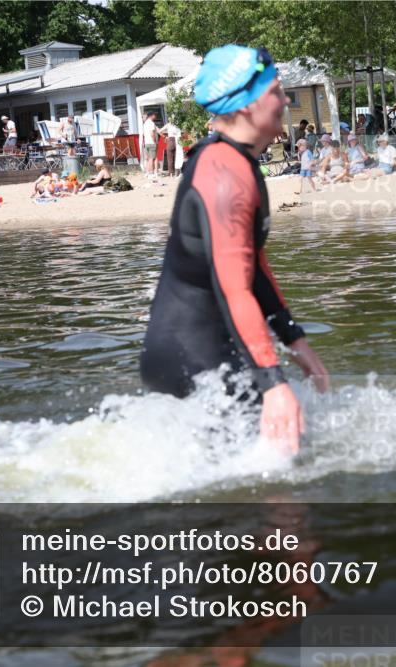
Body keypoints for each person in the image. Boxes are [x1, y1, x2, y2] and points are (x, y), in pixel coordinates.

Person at [140, 44, 329, 455]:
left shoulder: (239, 162)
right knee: (271, 477)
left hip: (201, 345)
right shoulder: (224, 174)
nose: (284, 100)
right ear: (245, 103)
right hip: (192, 354)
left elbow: (254, 270)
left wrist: (296, 343)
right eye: (276, 91)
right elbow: (233, 288)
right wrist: (273, 383)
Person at [141, 111, 158, 175]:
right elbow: (152, 133)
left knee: (148, 158)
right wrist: (155, 141)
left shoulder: (145, 123)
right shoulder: (151, 123)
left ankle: (148, 172)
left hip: (146, 143)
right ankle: (151, 173)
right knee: (152, 158)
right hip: (151, 142)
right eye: (155, 115)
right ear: (152, 115)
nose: (155, 117)